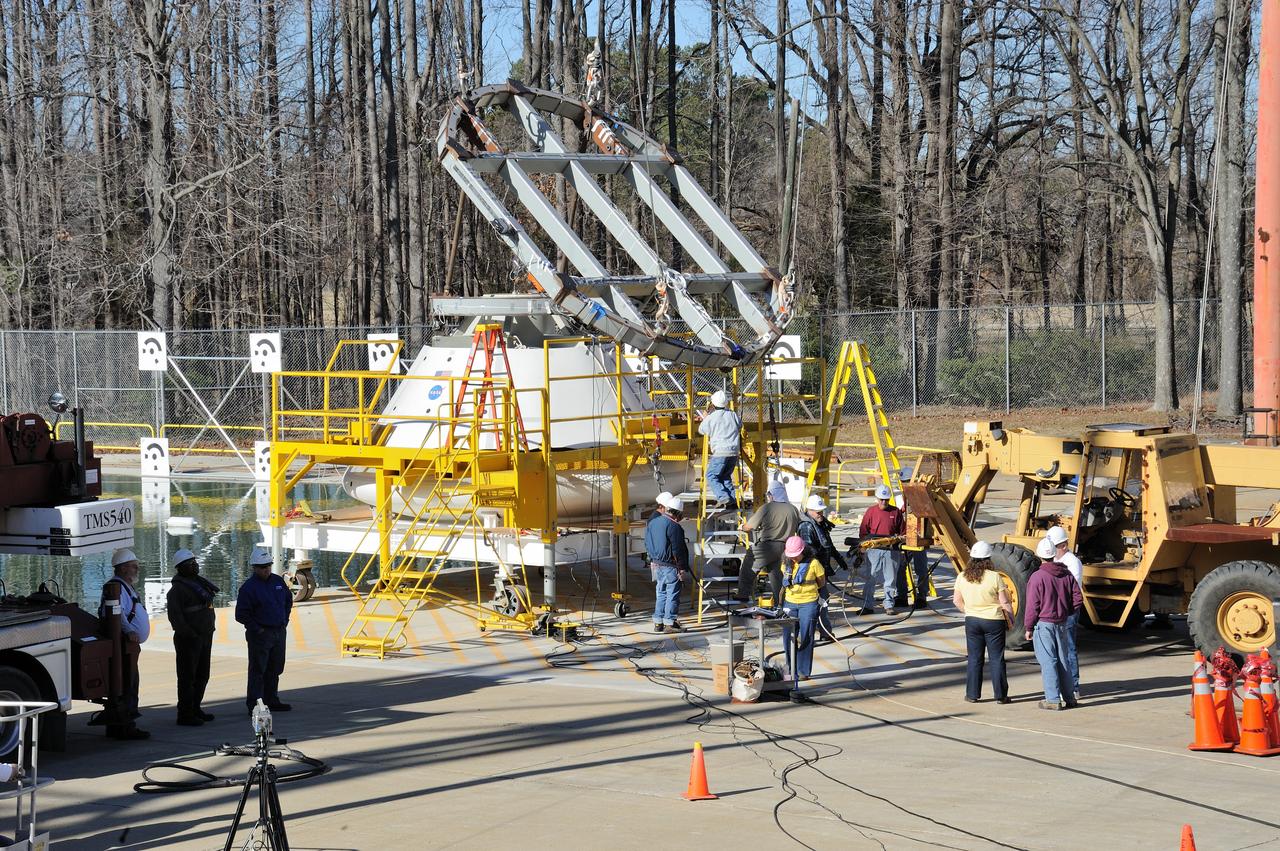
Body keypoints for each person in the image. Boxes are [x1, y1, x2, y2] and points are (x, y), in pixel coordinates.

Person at [1024, 537, 1083, 710]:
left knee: (1048, 661)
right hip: (1062, 623)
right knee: (1064, 659)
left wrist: (1028, 627)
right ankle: (1070, 697)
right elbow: (1078, 598)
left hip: (1045, 624)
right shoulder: (1067, 574)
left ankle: (1052, 699)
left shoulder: (1037, 577)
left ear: (1040, 555)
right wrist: (1067, 612)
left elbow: (1032, 606)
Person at [952, 541, 1013, 704]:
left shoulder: (962, 577)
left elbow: (956, 601)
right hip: (993, 621)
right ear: (988, 559)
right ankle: (1000, 695)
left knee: (974, 658)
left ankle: (972, 694)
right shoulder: (995, 577)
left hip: (972, 621)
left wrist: (970, 611)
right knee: (996, 658)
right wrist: (1011, 619)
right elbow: (1005, 602)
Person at [99, 548, 151, 740]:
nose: (137, 569)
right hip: (123, 644)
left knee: (129, 683)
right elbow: (117, 613)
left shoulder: (123, 586)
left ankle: (122, 724)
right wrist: (129, 630)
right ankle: (125, 726)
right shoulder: (116, 588)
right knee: (127, 684)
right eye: (133, 566)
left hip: (127, 645)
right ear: (122, 569)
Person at [235, 546, 294, 713]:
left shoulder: (277, 581)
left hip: (278, 631)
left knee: (275, 667)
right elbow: (241, 614)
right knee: (258, 670)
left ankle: (271, 699)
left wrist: (284, 621)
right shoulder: (249, 588)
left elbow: (288, 602)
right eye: (263, 567)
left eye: (269, 565)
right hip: (260, 634)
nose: (267, 569)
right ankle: (254, 704)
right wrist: (258, 630)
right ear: (255, 568)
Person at [166, 548, 219, 726]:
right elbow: (176, 619)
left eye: (195, 562)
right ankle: (185, 714)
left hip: (205, 636)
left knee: (203, 675)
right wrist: (191, 635)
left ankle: (195, 708)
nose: (195, 566)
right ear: (180, 568)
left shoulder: (199, 584)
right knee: (187, 678)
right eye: (190, 564)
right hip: (189, 640)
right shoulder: (176, 591)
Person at [737, 481, 801, 603]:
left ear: (772, 494)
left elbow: (749, 526)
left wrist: (742, 527)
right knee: (777, 578)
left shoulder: (767, 507)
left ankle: (743, 593)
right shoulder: (793, 509)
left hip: (767, 546)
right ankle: (781, 604)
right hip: (785, 549)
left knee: (749, 564)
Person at [797, 495, 847, 638]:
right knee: (814, 604)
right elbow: (809, 552)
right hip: (811, 574)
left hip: (820, 572)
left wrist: (838, 558)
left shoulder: (820, 524)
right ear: (809, 510)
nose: (820, 514)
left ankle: (824, 632)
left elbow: (828, 544)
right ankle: (807, 635)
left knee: (823, 602)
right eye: (817, 512)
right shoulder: (806, 526)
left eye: (821, 511)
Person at [780, 535, 826, 682]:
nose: (793, 558)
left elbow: (821, 582)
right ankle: (790, 668)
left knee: (806, 636)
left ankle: (803, 671)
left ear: (803, 551)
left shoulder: (814, 563)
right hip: (790, 603)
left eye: (796, 555)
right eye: (791, 555)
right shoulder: (785, 564)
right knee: (788, 637)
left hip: (809, 603)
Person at [1045, 525, 1083, 702]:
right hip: (1059, 609)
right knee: (1059, 649)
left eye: (1055, 548)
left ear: (1063, 546)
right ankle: (1064, 684)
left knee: (1068, 649)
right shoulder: (1057, 561)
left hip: (1068, 611)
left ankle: (1073, 686)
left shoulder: (1071, 562)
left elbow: (1072, 591)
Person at [645, 492, 689, 633]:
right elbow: (678, 549)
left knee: (661, 593)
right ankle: (670, 622)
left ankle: (658, 622)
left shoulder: (653, 523)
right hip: (670, 566)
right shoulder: (674, 527)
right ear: (678, 513)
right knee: (672, 594)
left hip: (656, 564)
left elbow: (647, 543)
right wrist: (681, 568)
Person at [858, 485, 905, 615]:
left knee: (890, 579)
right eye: (881, 500)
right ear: (877, 499)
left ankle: (889, 605)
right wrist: (863, 547)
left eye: (886, 500)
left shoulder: (896, 512)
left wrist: (899, 540)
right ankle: (867, 605)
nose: (884, 502)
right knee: (871, 578)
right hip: (874, 550)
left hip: (891, 550)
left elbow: (903, 532)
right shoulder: (871, 512)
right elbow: (863, 531)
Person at [697, 390, 743, 509]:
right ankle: (732, 501)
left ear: (713, 404)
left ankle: (723, 497)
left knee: (711, 475)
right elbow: (739, 425)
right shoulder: (732, 414)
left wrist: (705, 418)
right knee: (725, 476)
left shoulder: (712, 417)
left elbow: (701, 430)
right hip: (734, 451)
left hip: (721, 452)